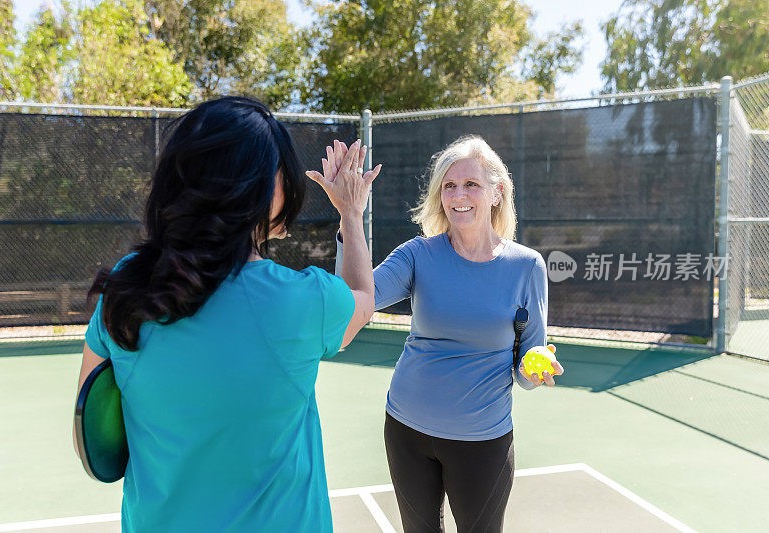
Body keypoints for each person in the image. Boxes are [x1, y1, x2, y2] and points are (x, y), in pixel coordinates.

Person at [72, 96, 380, 532]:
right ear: (269, 186)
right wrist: (350, 211)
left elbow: (91, 432)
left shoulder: (126, 286)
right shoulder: (302, 301)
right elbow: (362, 297)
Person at [326, 135, 564, 532]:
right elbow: (353, 302)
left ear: (496, 191)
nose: (459, 195)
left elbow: (528, 361)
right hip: (406, 432)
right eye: (449, 186)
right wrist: (349, 215)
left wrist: (535, 369)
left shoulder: (528, 266)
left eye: (471, 184)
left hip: (483, 442)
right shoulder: (417, 254)